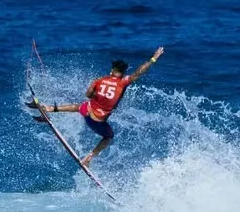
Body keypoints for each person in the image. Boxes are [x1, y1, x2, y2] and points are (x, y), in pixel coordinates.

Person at [27, 47, 165, 167]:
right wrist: (153, 58)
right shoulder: (123, 82)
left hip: (87, 111)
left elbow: (88, 94)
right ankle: (88, 158)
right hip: (98, 121)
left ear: (112, 70)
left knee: (80, 106)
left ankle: (50, 108)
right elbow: (139, 72)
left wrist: (97, 95)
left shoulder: (99, 80)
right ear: (122, 73)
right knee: (109, 136)